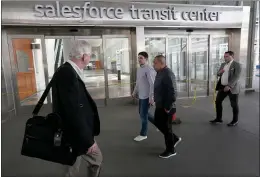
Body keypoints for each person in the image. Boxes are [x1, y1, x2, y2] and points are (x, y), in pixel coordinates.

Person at [52, 40, 102, 177]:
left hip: (72, 131)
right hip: (74, 132)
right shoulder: (68, 74)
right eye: (90, 55)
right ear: (84, 56)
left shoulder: (67, 70)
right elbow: (73, 110)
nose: (90, 57)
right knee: (96, 158)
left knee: (72, 165)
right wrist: (87, 140)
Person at [152, 55, 182, 158]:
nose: (153, 65)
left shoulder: (168, 74)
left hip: (167, 106)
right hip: (160, 105)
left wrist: (168, 107)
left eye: (155, 63)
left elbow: (173, 92)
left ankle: (171, 150)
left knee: (167, 128)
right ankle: (175, 138)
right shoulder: (160, 72)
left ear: (162, 63)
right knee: (158, 122)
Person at [210, 51, 241, 126]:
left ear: (232, 56)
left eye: (227, 56)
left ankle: (235, 120)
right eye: (224, 56)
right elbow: (218, 73)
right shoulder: (223, 64)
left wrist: (229, 86)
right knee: (218, 101)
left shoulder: (237, 65)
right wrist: (219, 72)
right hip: (222, 87)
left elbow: (236, 76)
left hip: (232, 88)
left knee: (234, 104)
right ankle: (219, 118)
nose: (225, 58)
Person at [132, 51, 156, 141]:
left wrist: (152, 97)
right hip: (141, 96)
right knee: (143, 113)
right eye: (138, 58)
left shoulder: (149, 69)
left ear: (146, 59)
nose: (139, 59)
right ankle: (159, 124)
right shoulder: (139, 69)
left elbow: (152, 84)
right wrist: (134, 92)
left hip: (147, 97)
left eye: (141, 58)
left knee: (143, 115)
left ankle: (143, 134)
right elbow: (138, 82)